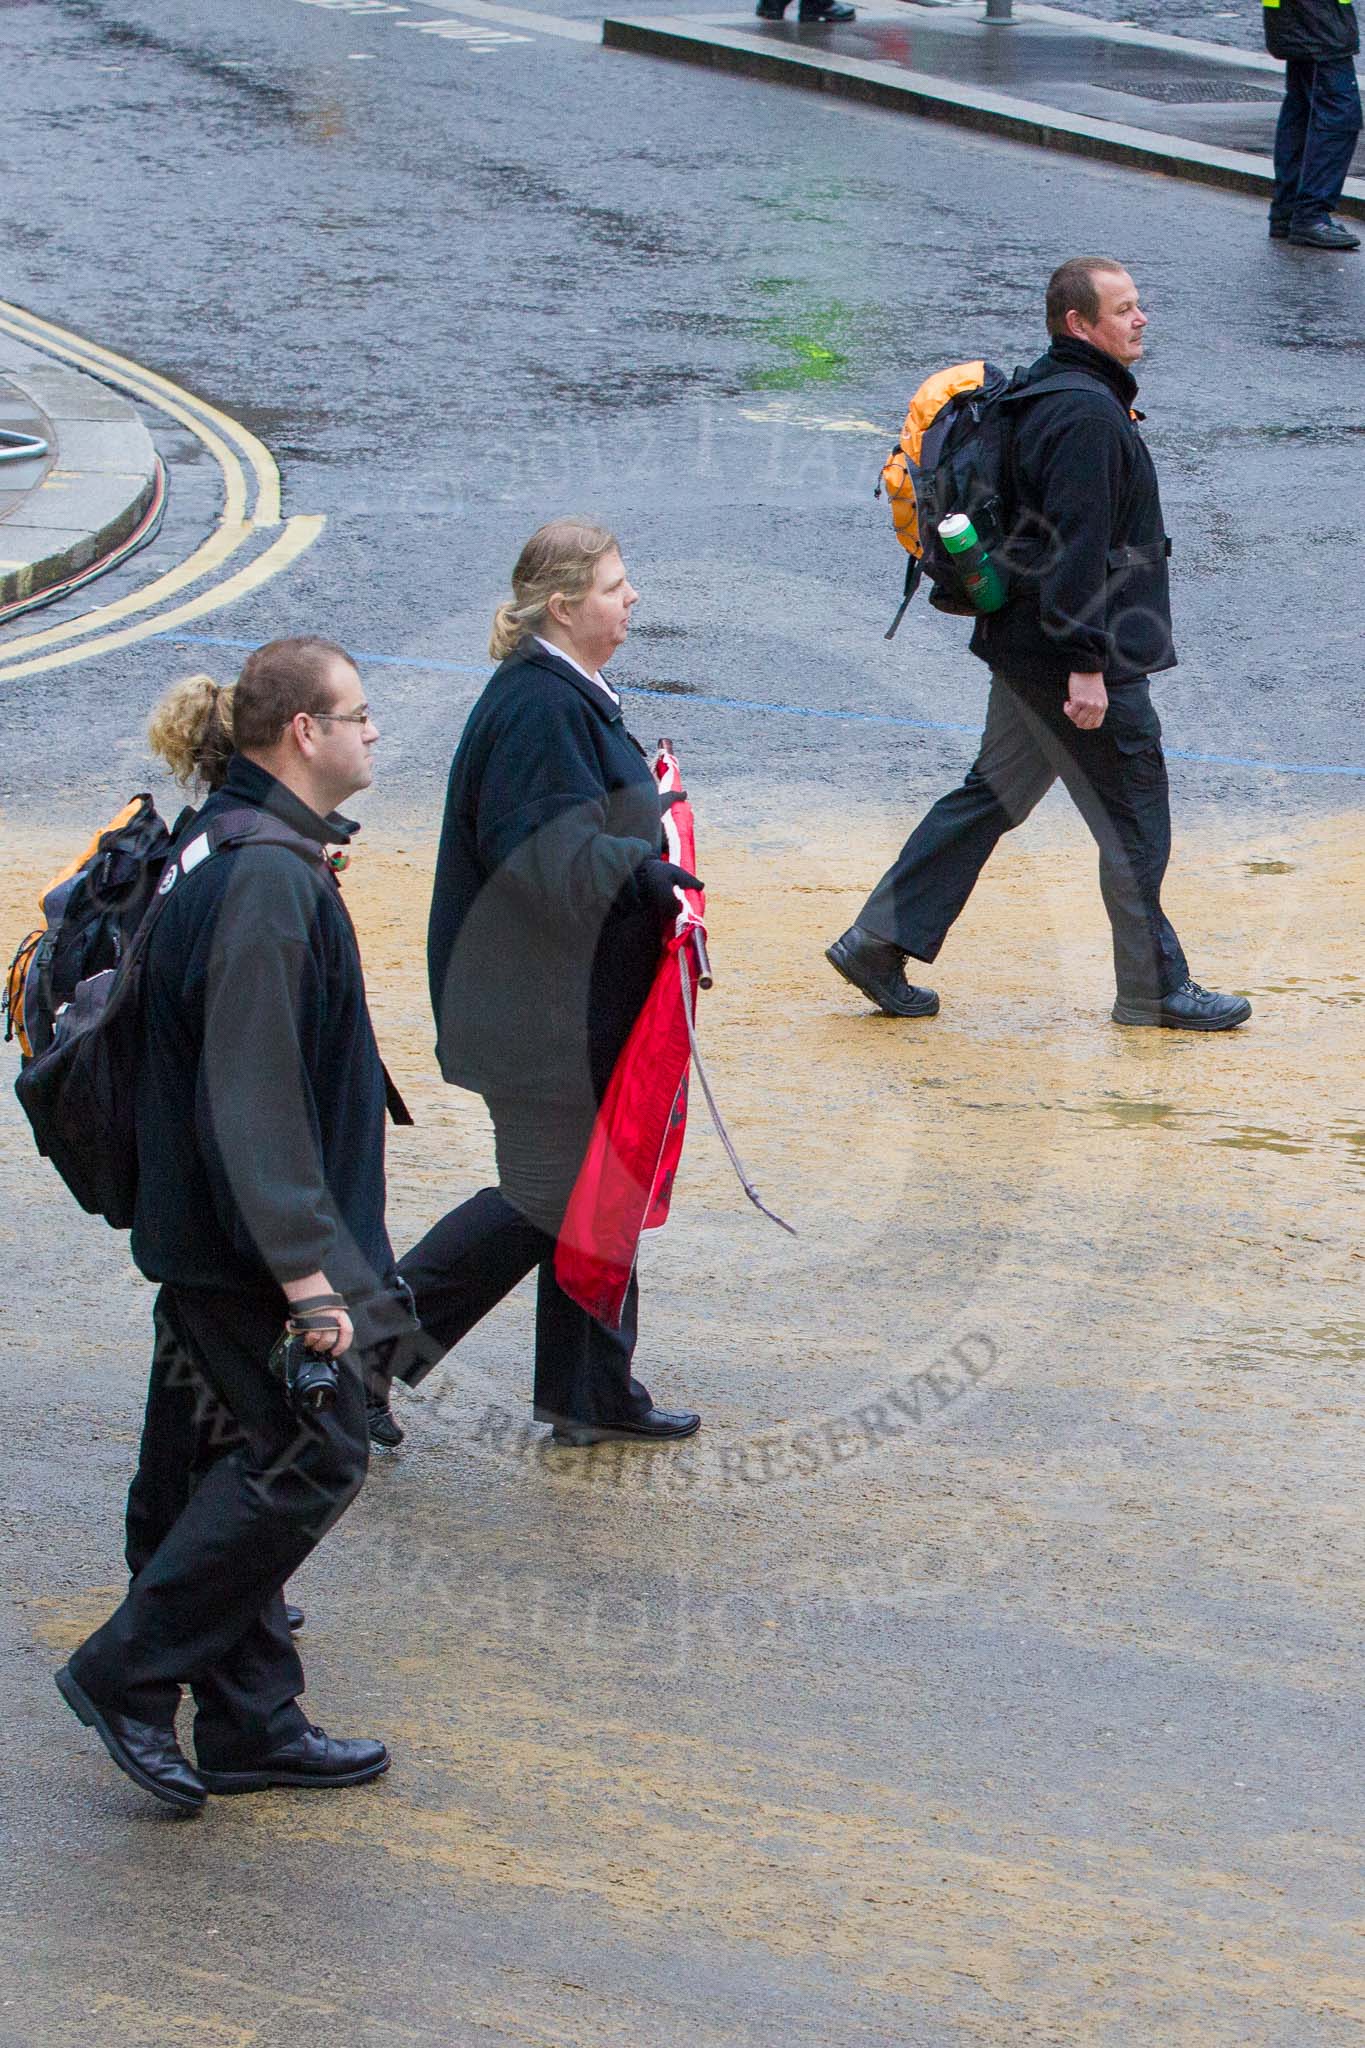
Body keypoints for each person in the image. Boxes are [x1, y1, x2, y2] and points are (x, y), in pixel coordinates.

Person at [55, 637, 407, 1814]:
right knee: (313, 1455)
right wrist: (310, 1277)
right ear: (301, 733)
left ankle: (254, 1719)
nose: (372, 733)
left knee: (202, 1469)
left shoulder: (234, 838)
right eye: (356, 714)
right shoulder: (264, 875)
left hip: (204, 1232)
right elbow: (251, 1090)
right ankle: (128, 1674)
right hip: (246, 1248)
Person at [827, 257, 1251, 1035]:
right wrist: (1087, 665)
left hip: (1021, 643)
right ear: (1076, 324)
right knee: (1132, 818)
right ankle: (1154, 989)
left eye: (1137, 305)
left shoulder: (1044, 391)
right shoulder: (1085, 415)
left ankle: (876, 941)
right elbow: (1076, 549)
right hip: (1074, 658)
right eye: (1122, 309)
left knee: (987, 798)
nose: (1140, 318)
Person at [396, 519, 701, 1448]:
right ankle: (352, 1360)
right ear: (563, 607)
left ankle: (587, 1391)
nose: (631, 597)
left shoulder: (565, 691)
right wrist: (645, 871)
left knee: (584, 1198)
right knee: (545, 1200)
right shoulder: (537, 707)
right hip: (533, 1019)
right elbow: (539, 854)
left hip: (552, 1009)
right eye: (613, 585)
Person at [1265, 0, 1362, 251]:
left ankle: (1288, 211)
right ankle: (1310, 214)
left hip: (1304, 19)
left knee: (1301, 110)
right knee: (1339, 112)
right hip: (1316, 19)